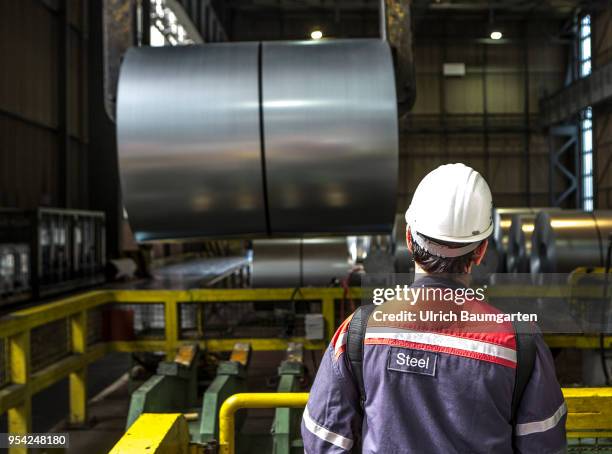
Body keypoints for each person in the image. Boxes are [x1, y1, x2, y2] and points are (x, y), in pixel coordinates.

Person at [301, 163, 567, 453]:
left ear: (408, 238)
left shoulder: (359, 333)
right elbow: (544, 445)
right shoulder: (520, 342)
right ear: (481, 251)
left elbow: (324, 441)